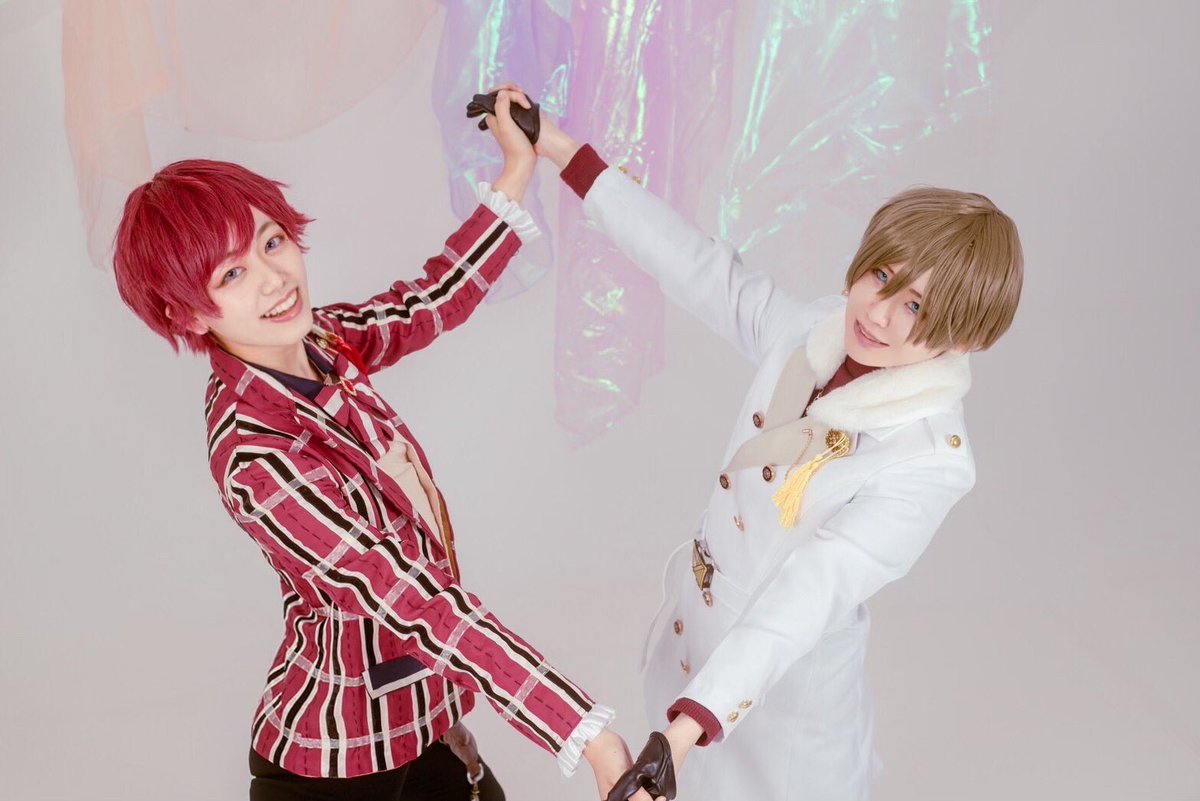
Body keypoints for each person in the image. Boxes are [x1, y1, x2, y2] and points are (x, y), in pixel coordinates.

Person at [110, 87, 634, 800]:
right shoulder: (256, 457)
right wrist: (587, 735)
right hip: (337, 759)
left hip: (422, 715)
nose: (274, 279)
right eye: (232, 274)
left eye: (271, 242)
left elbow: (429, 301)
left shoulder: (320, 340)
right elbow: (410, 597)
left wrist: (518, 167)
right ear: (187, 314)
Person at [530, 97, 1023, 800]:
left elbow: (813, 588)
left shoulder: (930, 461)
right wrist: (560, 150)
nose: (878, 313)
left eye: (915, 307)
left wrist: (686, 730)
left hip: (780, 715)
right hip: (690, 655)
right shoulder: (816, 329)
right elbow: (702, 270)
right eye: (881, 276)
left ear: (966, 338)